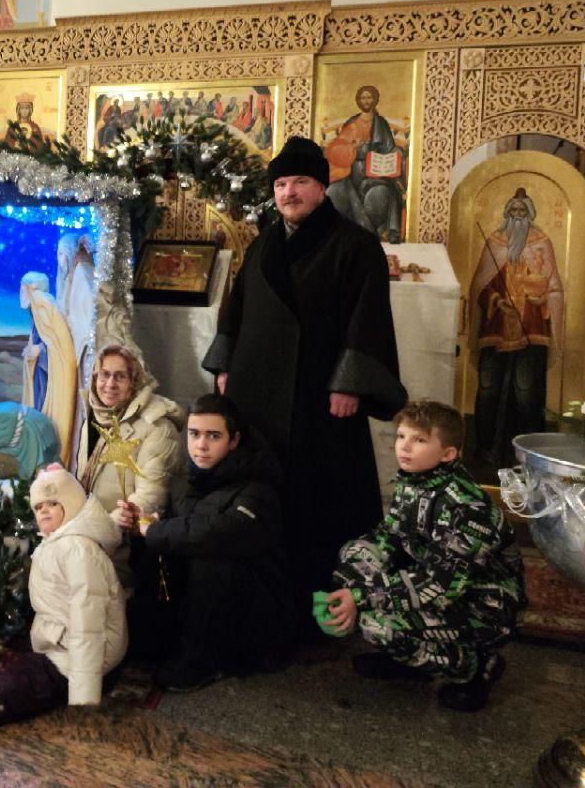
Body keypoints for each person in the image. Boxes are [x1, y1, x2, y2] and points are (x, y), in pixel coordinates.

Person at [203, 135, 406, 632]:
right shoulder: (264, 244)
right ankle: (268, 602)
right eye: (281, 185)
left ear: (321, 187)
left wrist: (350, 383)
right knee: (268, 498)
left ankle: (326, 611)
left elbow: (368, 319)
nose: (288, 193)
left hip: (322, 399)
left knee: (322, 503)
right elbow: (237, 309)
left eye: (299, 182)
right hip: (259, 396)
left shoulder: (355, 244)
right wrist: (226, 365)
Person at [324, 400, 525, 712]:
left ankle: (477, 666)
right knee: (355, 553)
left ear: (448, 453)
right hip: (437, 584)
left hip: (481, 608)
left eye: (419, 440)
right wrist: (350, 579)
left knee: (377, 624)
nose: (404, 447)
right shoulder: (415, 481)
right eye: (401, 436)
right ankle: (412, 660)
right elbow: (388, 537)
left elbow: (440, 586)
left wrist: (361, 596)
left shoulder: (465, 508)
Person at [132, 395, 293, 692]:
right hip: (205, 604)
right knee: (157, 549)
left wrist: (159, 530)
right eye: (194, 434)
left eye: (213, 436)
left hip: (257, 614)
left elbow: (224, 533)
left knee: (212, 556)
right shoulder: (187, 480)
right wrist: (149, 522)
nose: (201, 445)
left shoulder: (258, 486)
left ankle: (204, 662)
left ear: (234, 441)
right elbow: (184, 529)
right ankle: (153, 639)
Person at [0, 465, 126, 725]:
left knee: (31, 680)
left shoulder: (78, 550)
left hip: (92, 659)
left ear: (72, 504)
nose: (44, 511)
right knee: (28, 661)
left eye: (53, 504)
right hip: (68, 641)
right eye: (39, 507)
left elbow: (89, 622)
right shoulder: (60, 543)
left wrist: (84, 690)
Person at [470, 187, 563, 467]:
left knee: (526, 392)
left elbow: (554, 286)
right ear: (507, 213)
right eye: (514, 211)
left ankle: (528, 456)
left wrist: (541, 298)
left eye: (523, 211)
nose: (518, 215)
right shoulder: (495, 242)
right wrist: (497, 300)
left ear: (530, 214)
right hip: (497, 327)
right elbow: (480, 286)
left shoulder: (542, 243)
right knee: (488, 389)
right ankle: (485, 451)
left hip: (531, 328)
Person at [77, 344, 184, 527]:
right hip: (92, 529)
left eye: (120, 376)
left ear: (134, 381)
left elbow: (150, 498)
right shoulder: (95, 416)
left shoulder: (158, 428)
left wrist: (118, 519)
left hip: (128, 538)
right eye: (104, 374)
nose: (110, 384)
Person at [324, 85, 407, 242]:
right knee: (333, 192)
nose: (366, 101)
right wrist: (352, 148)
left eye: (369, 97)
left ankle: (377, 233)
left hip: (376, 172)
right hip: (351, 172)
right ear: (358, 101)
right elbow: (337, 148)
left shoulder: (381, 123)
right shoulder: (352, 123)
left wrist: (396, 151)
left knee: (382, 193)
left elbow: (389, 147)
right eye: (363, 98)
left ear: (374, 100)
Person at [20, 271, 77, 463]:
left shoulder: (44, 305)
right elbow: (40, 337)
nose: (21, 292)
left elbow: (60, 349)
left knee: (43, 415)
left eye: (24, 287)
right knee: (37, 411)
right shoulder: (35, 309)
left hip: (47, 376)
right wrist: (31, 351)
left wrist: (41, 351)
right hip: (40, 374)